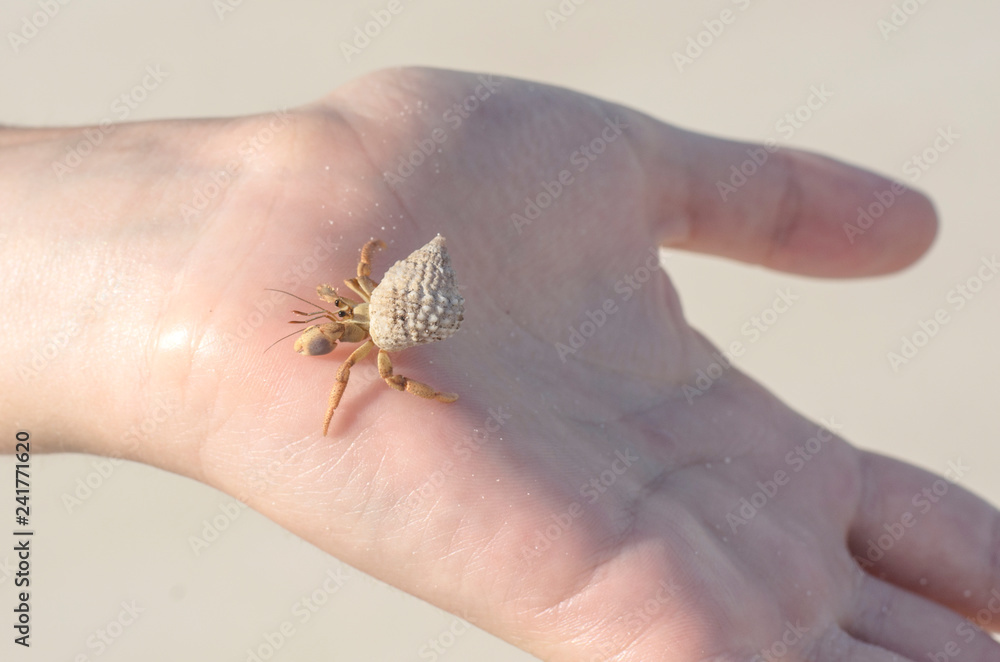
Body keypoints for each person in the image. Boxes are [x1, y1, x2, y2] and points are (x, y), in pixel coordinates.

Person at [3, 67, 996, 662]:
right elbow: (345, 324)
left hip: (404, 316)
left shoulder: (366, 344)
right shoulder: (358, 328)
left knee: (375, 363)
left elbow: (357, 341)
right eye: (325, 325)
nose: (324, 335)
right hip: (403, 313)